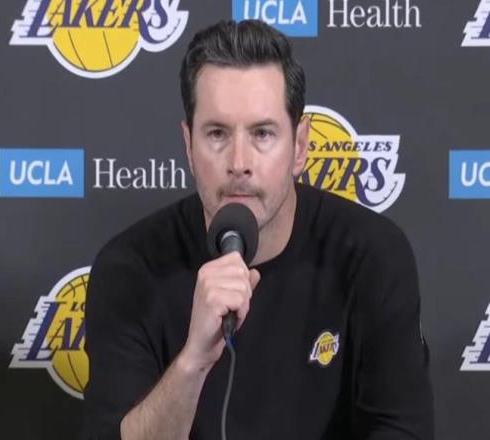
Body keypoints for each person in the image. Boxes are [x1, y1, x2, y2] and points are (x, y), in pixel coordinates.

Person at [82, 19, 434, 440]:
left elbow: (402, 429)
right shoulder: (129, 269)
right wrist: (194, 361)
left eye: (262, 133)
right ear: (188, 145)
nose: (239, 163)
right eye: (217, 133)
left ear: (299, 146)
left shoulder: (372, 255)